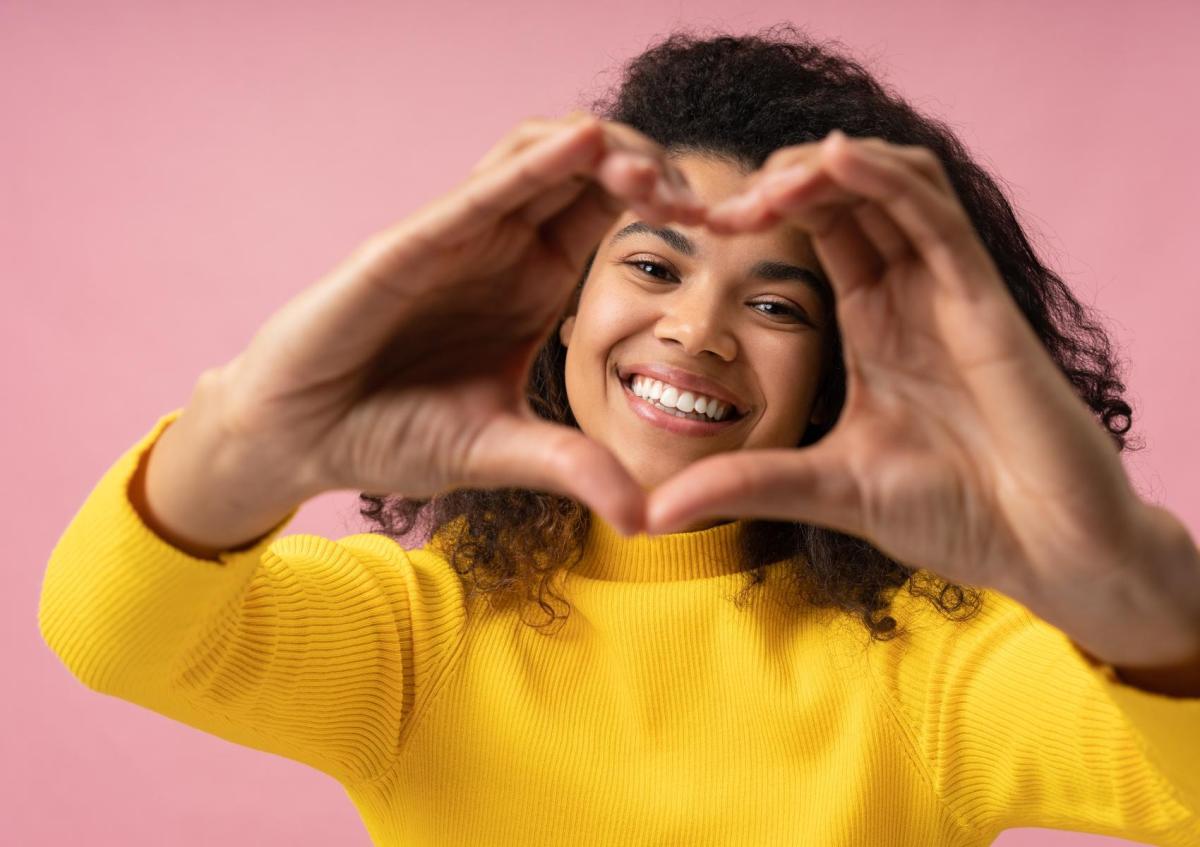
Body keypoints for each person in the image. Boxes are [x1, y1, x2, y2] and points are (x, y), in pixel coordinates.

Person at [38, 23, 1200, 847]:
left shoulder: (942, 672)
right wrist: (252, 434)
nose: (695, 331)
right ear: (566, 302)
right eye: (652, 265)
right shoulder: (411, 640)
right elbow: (112, 633)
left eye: (779, 303)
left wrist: (1118, 573)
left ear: (842, 372)